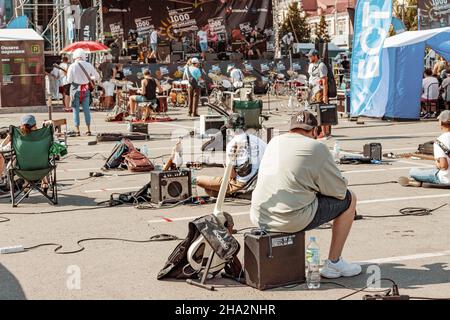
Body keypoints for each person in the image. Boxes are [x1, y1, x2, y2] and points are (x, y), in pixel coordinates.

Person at [250, 111, 361, 279]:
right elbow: (338, 191)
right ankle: (334, 262)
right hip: (289, 219)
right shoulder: (316, 147)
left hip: (260, 216)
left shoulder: (274, 142)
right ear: (315, 131)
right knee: (350, 198)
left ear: (291, 128)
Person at [197, 113, 266, 197]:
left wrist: (227, 166)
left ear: (230, 129)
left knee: (199, 180)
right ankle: (236, 193)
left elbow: (231, 176)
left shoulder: (232, 144)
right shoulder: (258, 140)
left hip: (240, 184)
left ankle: (236, 193)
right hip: (258, 181)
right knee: (210, 190)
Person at [399, 110, 450, 187]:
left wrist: (437, 163)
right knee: (431, 171)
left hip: (446, 179)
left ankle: (416, 181)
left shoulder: (440, 141)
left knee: (413, 171)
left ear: (441, 123)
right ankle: (417, 182)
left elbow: (443, 166)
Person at [66, 48, 100, 136]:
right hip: (85, 90)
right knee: (86, 110)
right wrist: (89, 78)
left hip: (75, 90)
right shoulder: (88, 65)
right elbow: (97, 76)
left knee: (75, 110)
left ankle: (77, 130)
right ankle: (88, 129)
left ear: (75, 56)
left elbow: (69, 80)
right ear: (84, 56)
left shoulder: (72, 66)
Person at [307, 49, 331, 139]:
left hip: (320, 91)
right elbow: (312, 77)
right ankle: (320, 131)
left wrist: (325, 95)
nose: (309, 57)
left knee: (322, 111)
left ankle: (325, 132)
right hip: (313, 90)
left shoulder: (321, 66)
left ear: (315, 56)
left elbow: (325, 81)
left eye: (310, 56)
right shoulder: (311, 65)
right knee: (316, 112)